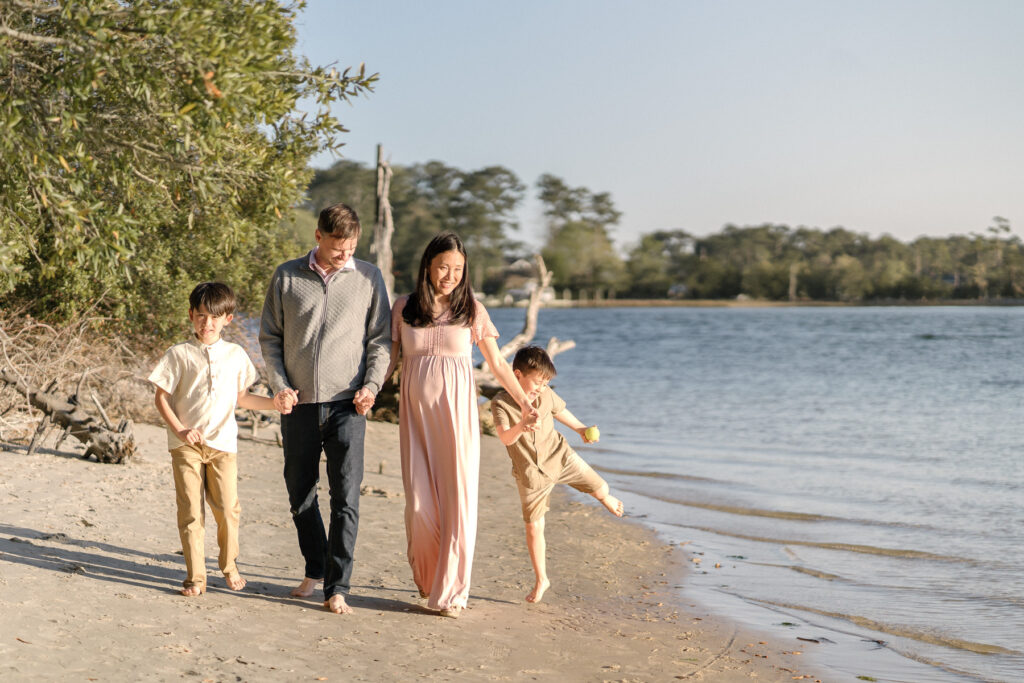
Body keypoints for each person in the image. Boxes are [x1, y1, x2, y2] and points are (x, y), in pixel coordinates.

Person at [386, 232, 536, 618]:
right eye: (442, 267)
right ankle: (429, 577)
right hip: (416, 419)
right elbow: (387, 360)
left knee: (458, 505)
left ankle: (452, 594)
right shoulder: (404, 307)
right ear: (428, 267)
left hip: (457, 418)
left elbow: (499, 365)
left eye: (457, 269)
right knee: (419, 505)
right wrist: (365, 391)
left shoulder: (472, 309)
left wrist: (524, 402)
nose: (449, 275)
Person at [259, 203, 391, 615]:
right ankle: (314, 568)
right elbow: (270, 339)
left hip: (348, 405)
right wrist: (280, 386)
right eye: (337, 246)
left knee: (346, 498)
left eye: (351, 246)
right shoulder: (287, 275)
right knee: (300, 494)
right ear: (319, 237)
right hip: (297, 404)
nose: (344, 253)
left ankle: (338, 586)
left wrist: (371, 386)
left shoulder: (369, 277)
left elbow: (381, 341)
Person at [149, 281, 279, 596]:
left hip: (223, 447)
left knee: (228, 510)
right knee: (191, 513)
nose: (208, 323)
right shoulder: (178, 354)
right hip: (186, 447)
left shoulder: (236, 355)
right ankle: (196, 578)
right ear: (192, 315)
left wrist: (275, 405)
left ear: (228, 319)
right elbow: (161, 398)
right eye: (202, 316)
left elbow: (244, 399)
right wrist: (180, 428)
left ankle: (229, 566)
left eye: (215, 317)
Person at [490, 346, 624, 604]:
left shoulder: (546, 395)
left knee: (600, 487)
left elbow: (559, 411)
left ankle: (603, 497)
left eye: (546, 383)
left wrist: (581, 428)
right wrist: (522, 425)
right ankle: (542, 579)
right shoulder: (501, 403)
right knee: (533, 527)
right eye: (538, 382)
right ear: (517, 375)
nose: (541, 387)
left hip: (559, 456)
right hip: (530, 473)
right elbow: (506, 438)